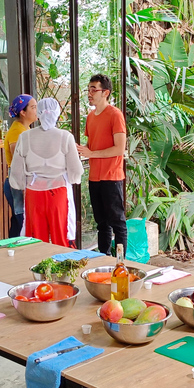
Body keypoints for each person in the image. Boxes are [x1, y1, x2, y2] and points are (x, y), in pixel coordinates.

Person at [9, 98, 84, 247]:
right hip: (58, 194)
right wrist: (72, 178)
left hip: (33, 194)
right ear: (57, 113)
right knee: (61, 238)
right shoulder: (65, 136)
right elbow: (76, 171)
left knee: (36, 241)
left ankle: (36, 268)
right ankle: (62, 268)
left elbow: (16, 172)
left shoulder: (25, 137)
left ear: (39, 113)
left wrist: (22, 184)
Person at [77, 74, 127, 255]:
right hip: (94, 177)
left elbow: (119, 149)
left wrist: (92, 153)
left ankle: (121, 264)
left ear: (105, 92)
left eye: (93, 89)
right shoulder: (90, 117)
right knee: (101, 224)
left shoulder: (115, 115)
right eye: (88, 89)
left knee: (117, 222)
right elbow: (92, 146)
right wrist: (80, 150)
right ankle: (103, 261)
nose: (89, 93)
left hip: (111, 176)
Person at [3, 95, 37, 238]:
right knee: (22, 221)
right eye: (33, 107)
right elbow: (19, 161)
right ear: (22, 112)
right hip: (18, 182)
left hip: (21, 181)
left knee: (19, 223)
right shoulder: (18, 131)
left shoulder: (24, 129)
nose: (37, 111)